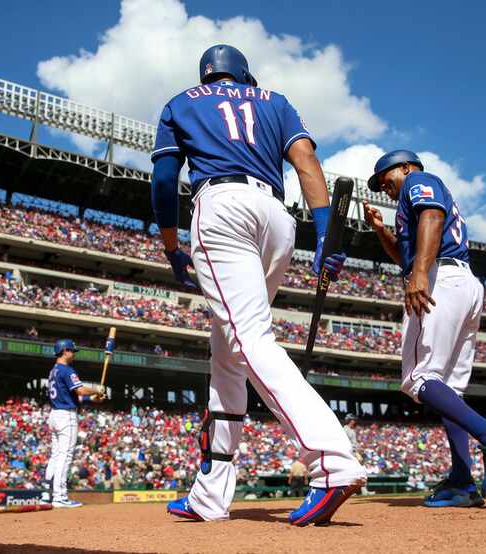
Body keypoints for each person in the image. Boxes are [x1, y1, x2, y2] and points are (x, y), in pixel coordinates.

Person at [151, 44, 365, 527]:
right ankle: (209, 495)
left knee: (249, 340)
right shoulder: (276, 100)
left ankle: (333, 462)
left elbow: (165, 181)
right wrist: (327, 234)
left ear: (205, 74)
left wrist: (170, 246)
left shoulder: (181, 100)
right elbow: (306, 162)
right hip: (276, 217)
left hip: (221, 205)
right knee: (226, 349)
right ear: (245, 75)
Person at [359, 149, 486, 507]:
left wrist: (420, 274)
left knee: (417, 379)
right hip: (460, 282)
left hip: (440, 279)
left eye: (385, 179)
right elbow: (403, 256)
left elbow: (433, 217)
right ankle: (462, 481)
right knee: (447, 387)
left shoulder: (418, 181)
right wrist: (380, 230)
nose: (383, 188)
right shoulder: (410, 203)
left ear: (404, 167)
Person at [43, 338, 104, 508]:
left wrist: (92, 398)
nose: (73, 354)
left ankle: (46, 494)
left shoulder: (54, 370)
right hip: (66, 416)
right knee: (65, 455)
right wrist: (97, 389)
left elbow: (72, 394)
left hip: (54, 414)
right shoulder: (67, 370)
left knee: (55, 455)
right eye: (72, 351)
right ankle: (60, 496)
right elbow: (80, 389)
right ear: (65, 351)